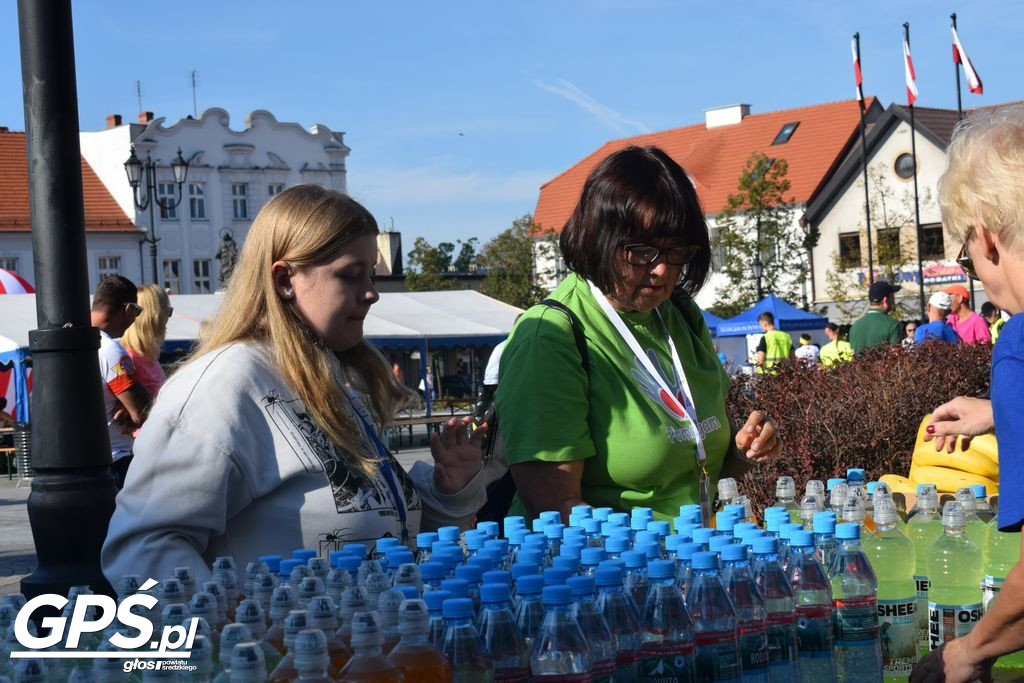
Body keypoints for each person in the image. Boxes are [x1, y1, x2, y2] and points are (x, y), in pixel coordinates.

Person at [102, 185, 489, 585]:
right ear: (285, 279)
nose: (371, 293)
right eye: (350, 275)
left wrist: (447, 494)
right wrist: (241, 637)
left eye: (370, 274)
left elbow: (377, 533)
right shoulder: (224, 383)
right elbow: (142, 552)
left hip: (366, 645)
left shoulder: (331, 377)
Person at [494, 146, 782, 523]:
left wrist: (745, 452)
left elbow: (696, 465)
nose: (662, 269)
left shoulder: (677, 311)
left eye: (676, 250)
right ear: (599, 238)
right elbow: (556, 512)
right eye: (642, 251)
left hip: (695, 561)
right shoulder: (551, 337)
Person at [910, 105, 1024, 682]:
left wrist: (968, 651)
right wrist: (1003, 415)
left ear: (986, 237)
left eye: (966, 254)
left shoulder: (1019, 349)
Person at [91, 275, 150, 489]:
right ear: (127, 309)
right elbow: (142, 411)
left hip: (89, 460)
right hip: (117, 461)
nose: (135, 318)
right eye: (137, 311)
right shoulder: (110, 350)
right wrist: (131, 406)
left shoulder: (77, 342)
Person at [119, 284, 173, 400]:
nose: (168, 318)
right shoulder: (127, 358)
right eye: (168, 312)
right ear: (154, 317)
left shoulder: (147, 355)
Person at [849, 280, 903, 354]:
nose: (893, 302)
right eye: (892, 297)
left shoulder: (855, 326)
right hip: (884, 365)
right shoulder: (893, 324)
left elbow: (853, 356)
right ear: (885, 300)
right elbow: (896, 357)